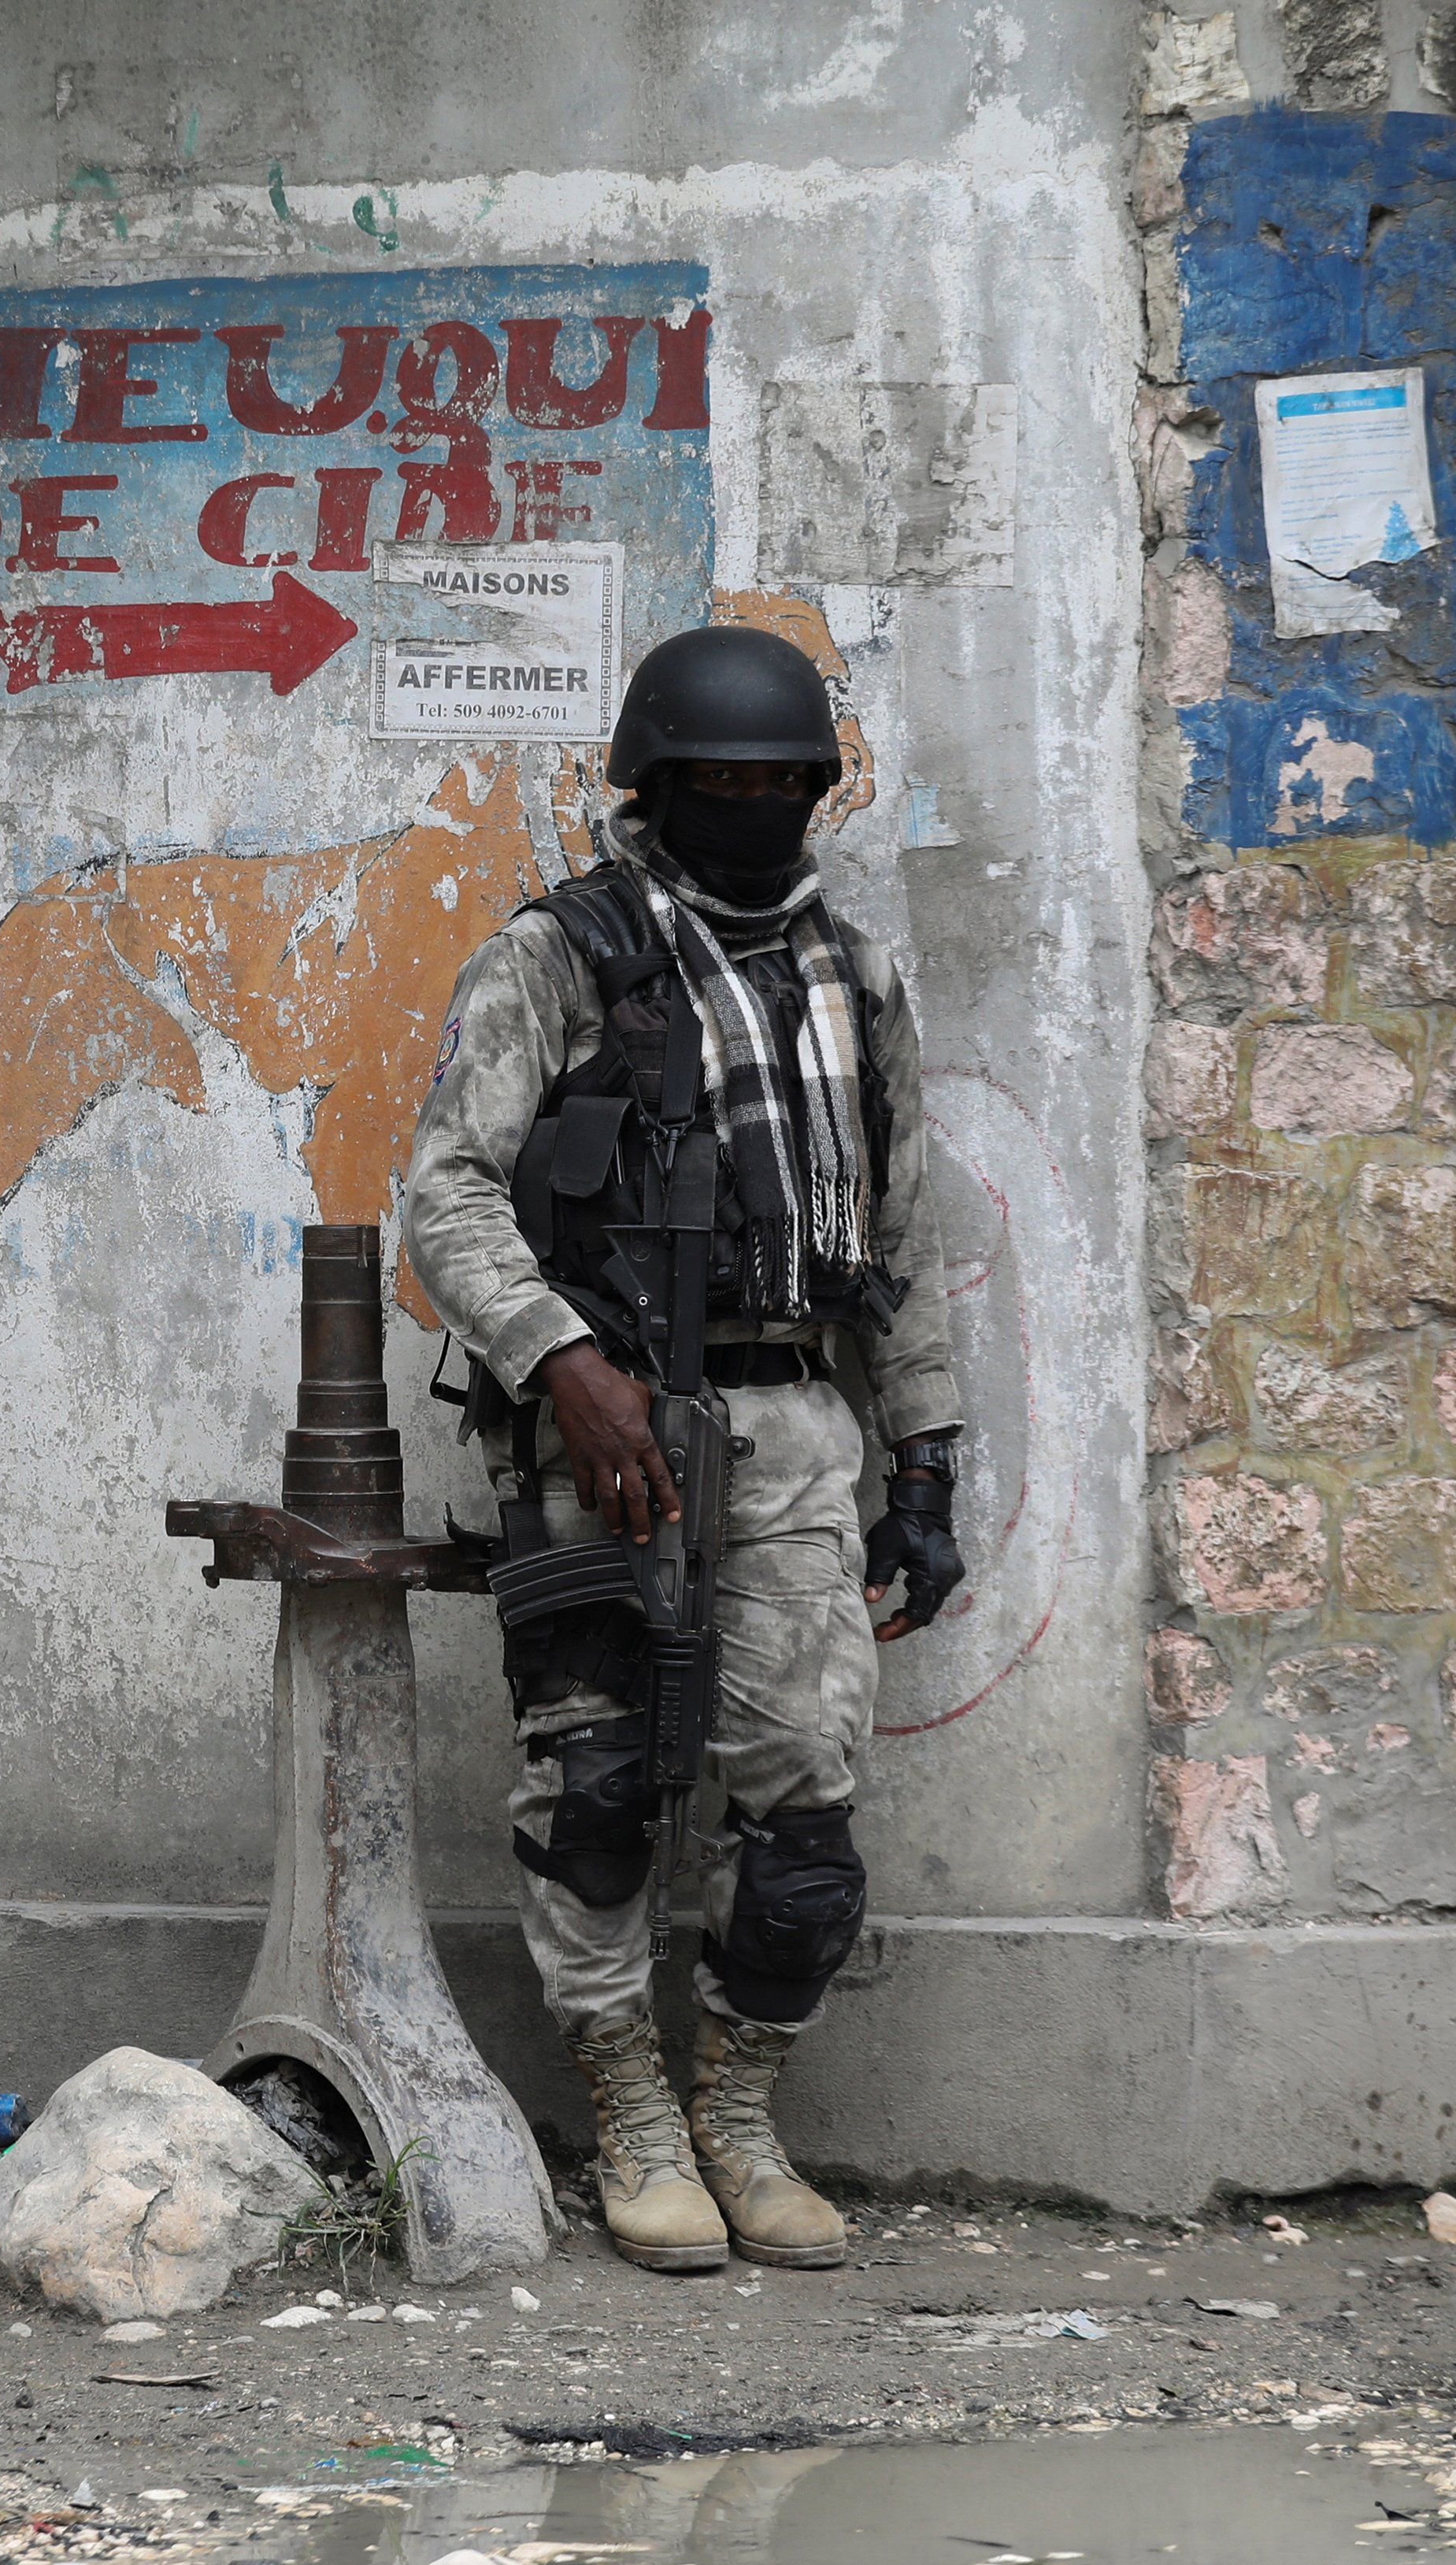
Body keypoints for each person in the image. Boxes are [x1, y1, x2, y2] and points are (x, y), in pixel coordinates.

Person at [402, 624, 965, 2275]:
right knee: (594, 1789)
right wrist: (564, 1359)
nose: (747, 803)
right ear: (650, 786)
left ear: (813, 794)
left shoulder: (852, 977)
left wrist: (923, 1462)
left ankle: (737, 2111)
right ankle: (630, 2110)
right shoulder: (556, 955)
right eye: (714, 781)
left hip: (793, 1429)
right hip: (605, 1435)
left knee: (802, 1811)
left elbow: (906, 1239)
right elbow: (445, 1188)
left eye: (775, 783)